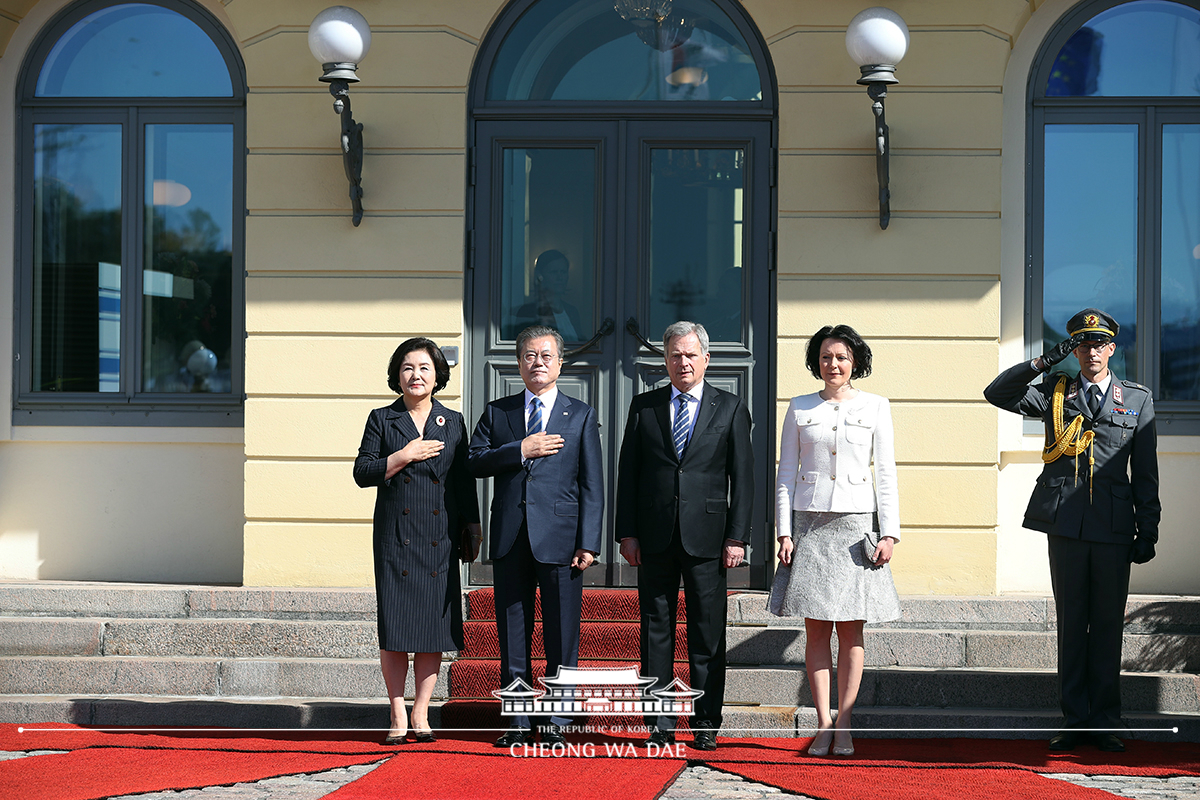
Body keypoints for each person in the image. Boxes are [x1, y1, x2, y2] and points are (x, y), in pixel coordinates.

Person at [984, 308, 1159, 753]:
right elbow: (997, 392)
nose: (1091, 351)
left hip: (1116, 527)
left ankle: (1104, 721)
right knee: (1071, 623)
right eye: (1083, 344)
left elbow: (1146, 472)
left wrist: (1148, 528)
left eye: (1099, 343)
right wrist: (1043, 362)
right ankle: (1075, 720)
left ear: (1112, 349)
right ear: (1074, 350)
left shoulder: (1136, 399)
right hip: (1065, 525)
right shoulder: (1055, 393)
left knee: (1105, 626)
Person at [616, 321, 753, 751]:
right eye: (675, 355)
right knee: (655, 630)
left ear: (706, 359)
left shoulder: (730, 408)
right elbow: (629, 475)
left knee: (707, 633)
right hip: (653, 538)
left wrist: (737, 537)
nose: (683, 362)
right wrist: (627, 533)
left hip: (709, 539)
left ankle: (707, 721)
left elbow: (743, 480)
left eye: (691, 355)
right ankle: (658, 722)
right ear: (665, 360)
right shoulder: (644, 406)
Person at [767, 324, 901, 757]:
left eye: (842, 357)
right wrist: (783, 531)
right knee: (817, 629)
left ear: (855, 361)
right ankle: (822, 722)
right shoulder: (800, 407)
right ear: (816, 361)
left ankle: (845, 721)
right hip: (810, 526)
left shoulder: (877, 406)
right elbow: (785, 473)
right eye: (826, 357)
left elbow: (886, 474)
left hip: (856, 527)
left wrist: (889, 532)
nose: (834, 365)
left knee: (852, 630)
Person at [469, 325, 603, 747]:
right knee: (512, 630)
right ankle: (518, 720)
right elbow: (474, 461)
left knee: (562, 632)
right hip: (511, 536)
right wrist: (519, 450)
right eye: (529, 355)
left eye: (546, 356)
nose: (538, 363)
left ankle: (559, 720)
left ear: (560, 363)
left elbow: (591, 485)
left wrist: (589, 541)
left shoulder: (579, 414)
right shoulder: (498, 412)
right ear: (518, 363)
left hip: (562, 539)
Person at [353, 337, 481, 745]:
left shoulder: (454, 420)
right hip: (395, 536)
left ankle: (422, 713)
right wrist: (403, 455)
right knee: (395, 627)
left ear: (437, 374)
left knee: (430, 627)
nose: (416, 375)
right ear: (397, 375)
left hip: (439, 536)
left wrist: (472, 528)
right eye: (408, 368)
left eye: (425, 368)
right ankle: (396, 713)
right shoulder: (381, 419)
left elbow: (464, 481)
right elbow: (362, 471)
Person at [512, 250, 584, 341]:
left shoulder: (572, 312)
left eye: (563, 272)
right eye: (553, 272)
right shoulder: (528, 312)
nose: (560, 277)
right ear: (540, 276)